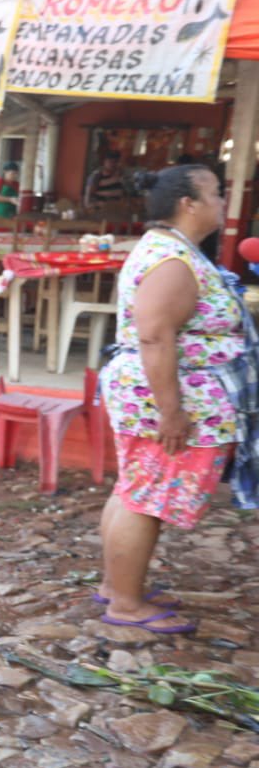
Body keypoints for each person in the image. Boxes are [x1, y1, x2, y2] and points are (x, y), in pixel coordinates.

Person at [96, 164, 258, 633]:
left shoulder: (177, 251)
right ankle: (126, 604)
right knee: (145, 499)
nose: (224, 203)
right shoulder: (173, 261)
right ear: (189, 204)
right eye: (216, 194)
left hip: (160, 394)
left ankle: (116, 586)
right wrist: (171, 412)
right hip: (165, 399)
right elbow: (154, 336)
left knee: (135, 490)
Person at [84, 150, 129, 214]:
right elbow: (88, 198)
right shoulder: (96, 176)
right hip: (98, 212)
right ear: (104, 161)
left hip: (115, 212)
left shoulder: (120, 177)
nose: (113, 164)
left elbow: (122, 195)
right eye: (110, 161)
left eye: (115, 162)